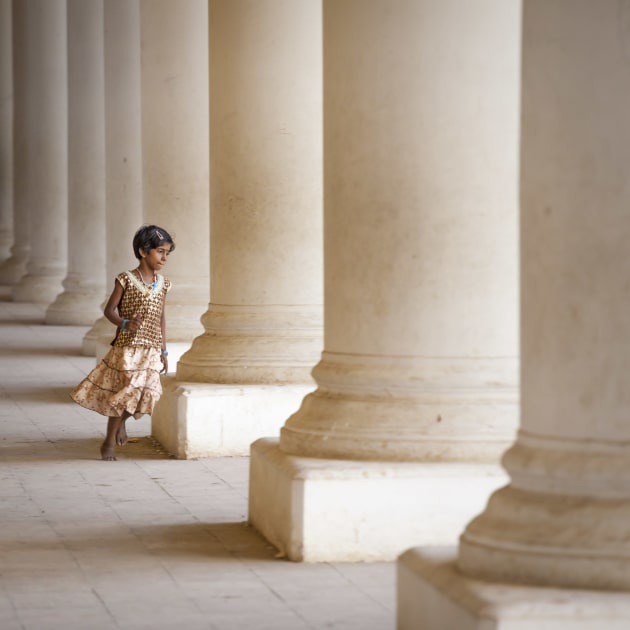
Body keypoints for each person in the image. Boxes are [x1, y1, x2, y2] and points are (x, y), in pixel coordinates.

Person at [71, 225, 175, 461]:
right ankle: (108, 442)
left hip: (150, 347)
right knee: (127, 391)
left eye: (167, 253)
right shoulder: (125, 279)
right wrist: (124, 323)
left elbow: (162, 318)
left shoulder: (164, 284)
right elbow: (109, 310)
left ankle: (121, 423)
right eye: (160, 251)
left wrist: (164, 350)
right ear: (142, 251)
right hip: (128, 347)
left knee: (148, 393)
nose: (164, 258)